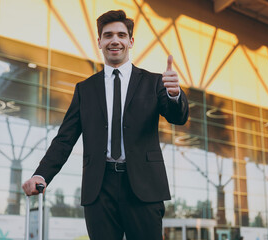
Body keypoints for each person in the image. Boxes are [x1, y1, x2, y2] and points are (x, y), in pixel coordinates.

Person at [22, 9, 189, 240]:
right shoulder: (85, 89)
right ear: (99, 42)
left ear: (130, 41)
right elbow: (65, 138)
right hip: (100, 189)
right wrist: (42, 174)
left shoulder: (153, 82)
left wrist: (174, 95)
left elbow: (177, 117)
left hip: (143, 187)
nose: (115, 40)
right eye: (108, 35)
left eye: (121, 35)